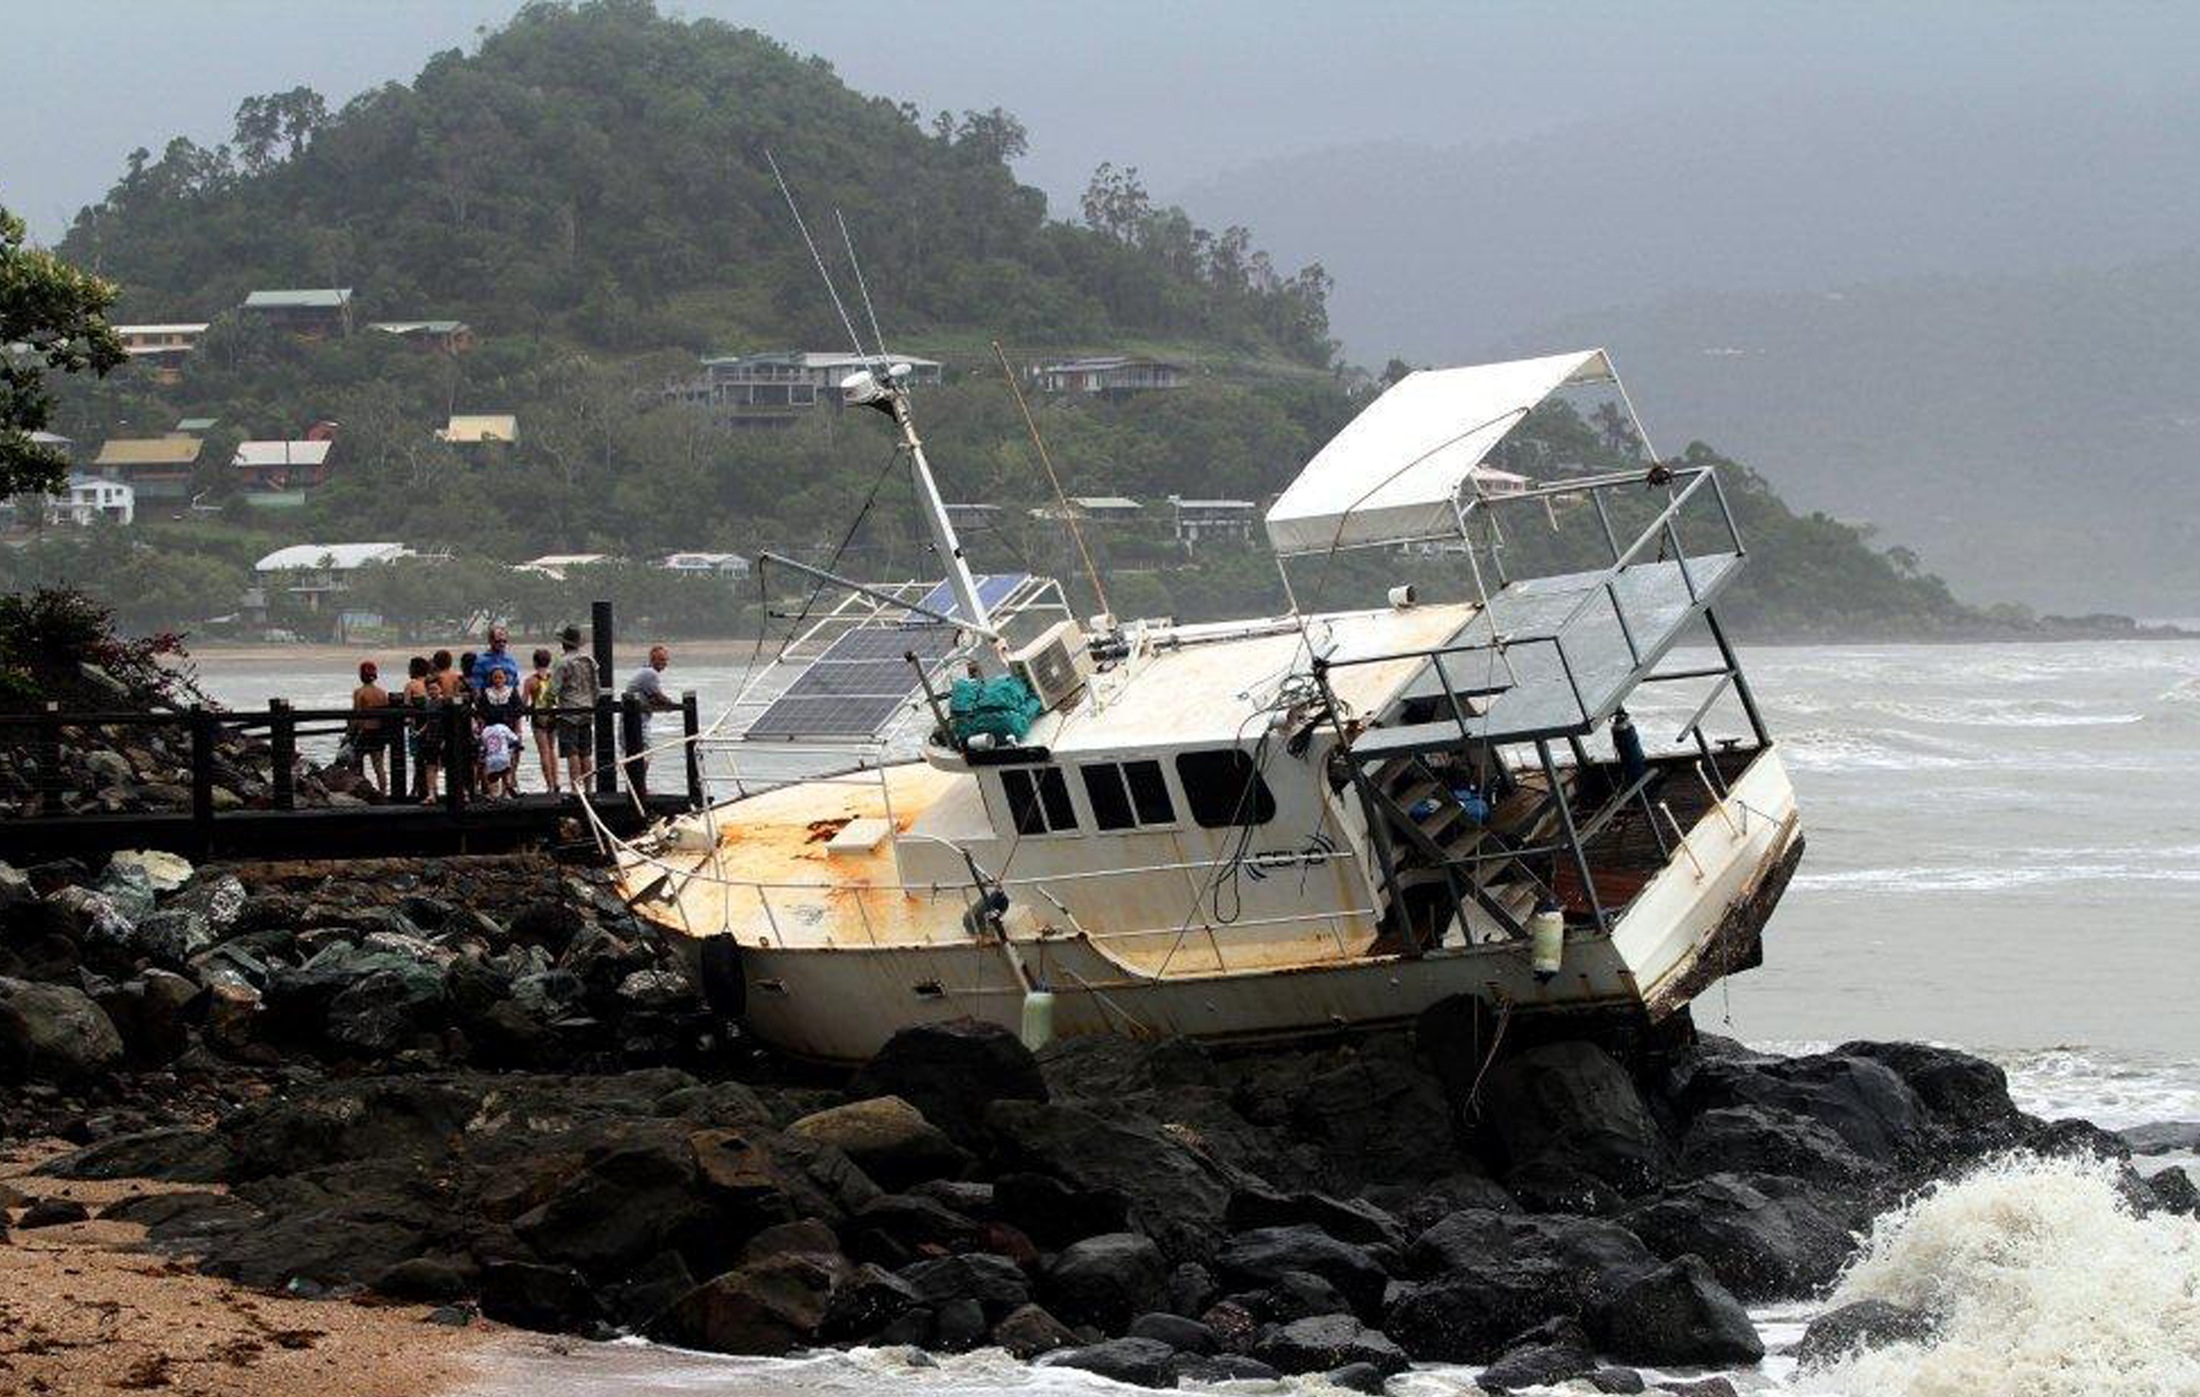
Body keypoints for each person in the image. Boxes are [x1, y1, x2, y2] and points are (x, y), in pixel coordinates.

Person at [621, 644, 680, 798]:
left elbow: (653, 698)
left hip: (634, 721)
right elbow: (658, 696)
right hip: (636, 723)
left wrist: (663, 704)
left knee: (637, 755)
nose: (665, 663)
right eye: (661, 660)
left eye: (666, 660)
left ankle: (636, 787)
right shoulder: (650, 674)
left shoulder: (644, 671)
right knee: (645, 755)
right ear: (653, 659)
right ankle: (638, 787)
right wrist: (672, 704)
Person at [550, 625, 600, 792]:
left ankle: (575, 789)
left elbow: (553, 689)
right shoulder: (590, 661)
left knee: (572, 752)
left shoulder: (562, 662)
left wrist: (547, 706)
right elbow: (597, 689)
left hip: (568, 711)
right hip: (588, 709)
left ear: (564, 644)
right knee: (586, 752)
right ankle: (589, 789)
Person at [475, 663, 527, 793]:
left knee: (508, 760)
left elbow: (518, 712)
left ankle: (507, 790)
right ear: (491, 679)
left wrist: (518, 730)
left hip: (508, 730)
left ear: (505, 678)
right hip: (491, 732)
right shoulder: (486, 693)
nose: (498, 680)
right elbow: (481, 713)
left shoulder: (511, 692)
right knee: (491, 761)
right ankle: (493, 792)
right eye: (495, 677)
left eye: (500, 677)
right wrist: (481, 731)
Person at [348, 660, 391, 797]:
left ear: (361, 675)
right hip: (379, 732)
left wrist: (349, 734)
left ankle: (363, 792)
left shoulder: (359, 692)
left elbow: (356, 716)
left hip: (364, 732)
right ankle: (383, 793)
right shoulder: (382, 693)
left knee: (357, 764)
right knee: (379, 766)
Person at [523, 647, 560, 794]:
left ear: (534, 662)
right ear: (549, 661)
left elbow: (524, 702)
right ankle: (556, 782)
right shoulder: (554, 679)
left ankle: (550, 786)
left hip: (539, 718)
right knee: (552, 750)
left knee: (543, 752)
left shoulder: (530, 681)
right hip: (553, 716)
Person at [402, 656, 432, 799]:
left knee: (417, 760)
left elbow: (407, 709)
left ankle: (416, 790)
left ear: (413, 669)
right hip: (431, 726)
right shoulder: (431, 684)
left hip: (416, 727)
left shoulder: (411, 685)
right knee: (430, 760)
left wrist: (410, 726)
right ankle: (429, 789)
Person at [477, 715, 521, 799]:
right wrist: (515, 746)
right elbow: (515, 740)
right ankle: (508, 786)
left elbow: (482, 747)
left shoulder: (485, 731)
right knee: (506, 771)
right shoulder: (503, 727)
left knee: (491, 778)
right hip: (503, 757)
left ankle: (493, 795)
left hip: (491, 761)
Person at [474, 623, 521, 693]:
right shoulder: (481, 661)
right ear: (490, 641)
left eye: (504, 641)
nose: (502, 644)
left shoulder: (511, 660)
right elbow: (477, 686)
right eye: (498, 641)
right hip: (489, 700)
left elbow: (515, 683)